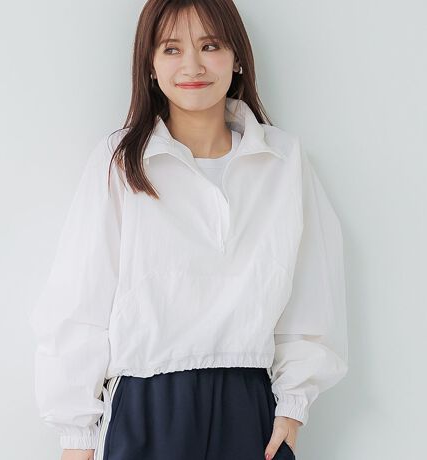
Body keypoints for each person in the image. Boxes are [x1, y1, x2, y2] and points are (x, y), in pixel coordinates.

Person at [29, 1, 349, 459]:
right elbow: (81, 300)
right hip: (147, 404)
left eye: (210, 46)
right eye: (172, 48)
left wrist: (293, 407)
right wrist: (76, 436)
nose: (193, 66)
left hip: (250, 405)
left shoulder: (282, 161)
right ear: (150, 65)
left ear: (237, 58)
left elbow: (312, 290)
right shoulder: (121, 162)